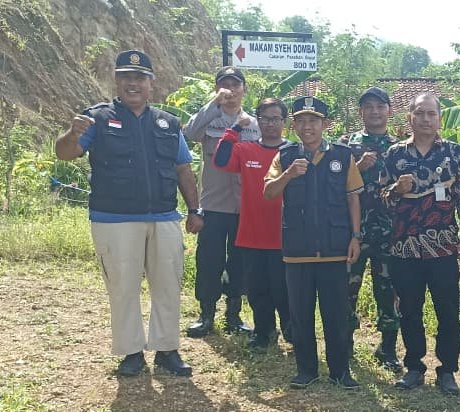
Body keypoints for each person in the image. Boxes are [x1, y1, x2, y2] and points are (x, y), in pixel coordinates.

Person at [54, 49, 202, 377]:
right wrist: (72, 133)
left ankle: (167, 350)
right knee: (123, 287)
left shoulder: (167, 122)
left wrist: (195, 209)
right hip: (114, 219)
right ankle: (131, 352)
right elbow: (66, 153)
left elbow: (183, 170)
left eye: (139, 78)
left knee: (168, 285)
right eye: (125, 77)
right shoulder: (97, 118)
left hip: (164, 217)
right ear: (116, 81)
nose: (132, 83)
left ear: (151, 83)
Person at [380, 93, 460, 396]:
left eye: (431, 114)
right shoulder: (395, 154)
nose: (425, 119)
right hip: (404, 248)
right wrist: (397, 189)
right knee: (409, 310)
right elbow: (382, 200)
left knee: (448, 310)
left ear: (439, 118)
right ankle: (414, 367)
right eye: (419, 113)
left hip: (443, 248)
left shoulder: (453, 152)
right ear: (410, 117)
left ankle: (447, 370)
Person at [264, 96, 362, 389]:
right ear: (293, 125)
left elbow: (353, 197)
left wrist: (356, 237)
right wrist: (288, 174)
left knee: (337, 315)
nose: (307, 127)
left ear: (325, 124)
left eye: (314, 121)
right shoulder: (284, 155)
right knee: (300, 314)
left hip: (334, 248)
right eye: (302, 121)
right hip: (298, 249)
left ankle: (340, 371)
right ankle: (306, 369)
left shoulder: (343, 156)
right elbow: (268, 192)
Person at [183, 66, 259, 338]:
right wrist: (213, 104)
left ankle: (234, 315)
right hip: (213, 205)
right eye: (224, 85)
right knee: (209, 261)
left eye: (235, 85)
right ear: (217, 89)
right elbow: (189, 133)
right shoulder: (209, 120)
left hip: (243, 208)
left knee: (239, 262)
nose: (230, 90)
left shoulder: (254, 124)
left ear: (243, 89)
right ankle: (206, 315)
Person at [212, 98, 293, 352]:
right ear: (258, 121)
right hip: (252, 233)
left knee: (285, 290)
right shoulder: (245, 149)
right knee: (258, 290)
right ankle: (263, 332)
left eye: (276, 119)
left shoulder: (293, 152)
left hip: (285, 235)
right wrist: (235, 128)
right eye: (265, 118)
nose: (270, 124)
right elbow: (221, 161)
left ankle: (292, 331)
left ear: (284, 122)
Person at [341, 87, 402, 370]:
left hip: (391, 233)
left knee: (389, 290)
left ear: (389, 110)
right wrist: (357, 166)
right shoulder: (345, 145)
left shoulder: (401, 146)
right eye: (368, 106)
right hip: (354, 232)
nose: (374, 111)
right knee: (347, 289)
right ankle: (345, 345)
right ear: (361, 112)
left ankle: (388, 350)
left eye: (380, 106)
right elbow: (331, 184)